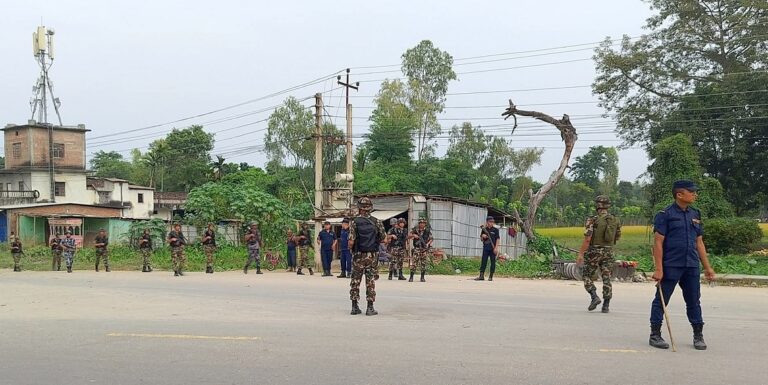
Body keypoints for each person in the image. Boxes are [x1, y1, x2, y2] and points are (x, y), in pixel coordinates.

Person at [648, 180, 716, 351]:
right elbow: (658, 243)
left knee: (694, 300)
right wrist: (658, 269)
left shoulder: (695, 213)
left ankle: (698, 335)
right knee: (661, 301)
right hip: (671, 265)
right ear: (679, 194)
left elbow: (699, 242)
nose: (695, 195)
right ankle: (655, 334)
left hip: (691, 265)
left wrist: (707, 267)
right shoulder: (665, 214)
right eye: (691, 192)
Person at [576, 196, 621, 313]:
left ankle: (594, 297)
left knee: (586, 275)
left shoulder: (592, 220)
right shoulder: (615, 220)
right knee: (606, 277)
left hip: (594, 252)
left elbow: (587, 239)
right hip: (609, 251)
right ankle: (606, 305)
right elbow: (617, 237)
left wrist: (581, 254)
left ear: (597, 206)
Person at [348, 197, 386, 316]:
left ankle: (354, 307)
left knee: (355, 280)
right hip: (372, 255)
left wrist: (352, 251)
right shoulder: (377, 221)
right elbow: (383, 239)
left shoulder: (354, 222)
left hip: (358, 254)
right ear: (370, 208)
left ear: (359, 208)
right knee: (370, 281)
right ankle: (370, 308)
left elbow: (351, 241)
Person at [476, 216, 501, 281]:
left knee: (493, 262)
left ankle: (491, 276)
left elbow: (498, 239)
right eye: (490, 222)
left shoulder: (496, 230)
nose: (492, 223)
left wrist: (496, 248)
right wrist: (483, 236)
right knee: (483, 261)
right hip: (486, 248)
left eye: (493, 222)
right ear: (487, 222)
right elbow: (481, 239)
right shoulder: (484, 229)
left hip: (493, 249)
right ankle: (481, 276)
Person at [409, 218, 433, 282]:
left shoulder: (427, 231)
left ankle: (422, 277)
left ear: (425, 224)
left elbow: (431, 239)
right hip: (417, 249)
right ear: (419, 224)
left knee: (423, 263)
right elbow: (409, 235)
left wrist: (427, 244)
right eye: (421, 223)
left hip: (424, 249)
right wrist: (413, 235)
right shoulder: (415, 230)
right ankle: (411, 277)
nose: (422, 224)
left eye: (423, 223)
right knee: (414, 263)